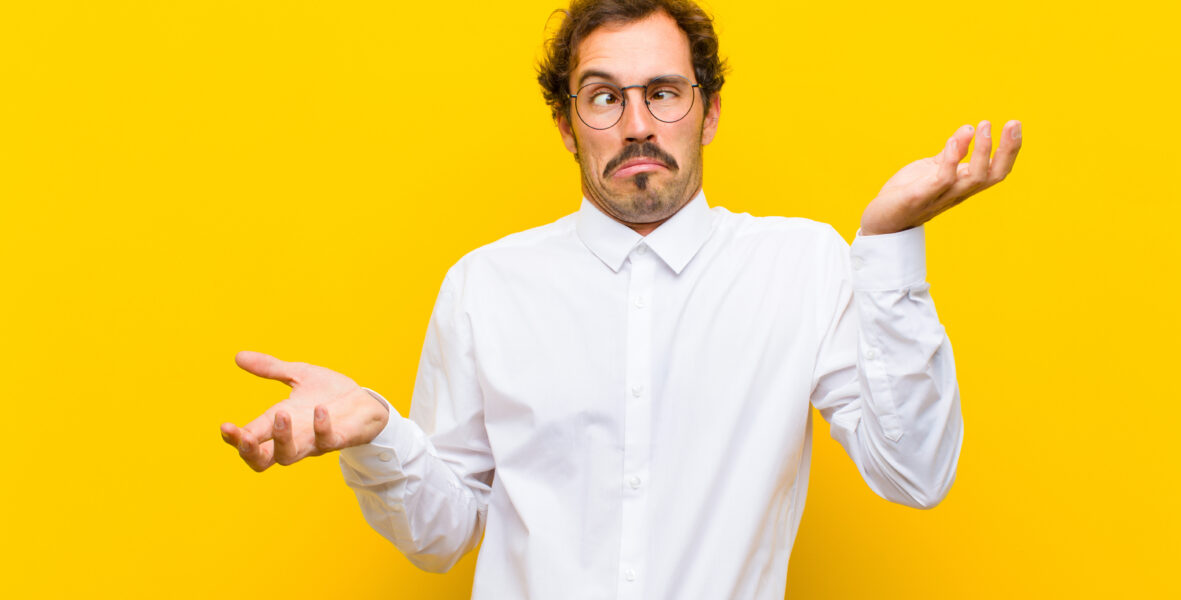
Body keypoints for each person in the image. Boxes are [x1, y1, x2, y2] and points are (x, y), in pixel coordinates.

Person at [219, 0, 1022, 597]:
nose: (637, 123)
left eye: (664, 93)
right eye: (604, 97)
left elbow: (914, 472)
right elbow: (444, 534)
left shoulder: (801, 265)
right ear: (570, 125)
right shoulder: (486, 287)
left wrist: (887, 248)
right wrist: (376, 433)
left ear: (708, 112)